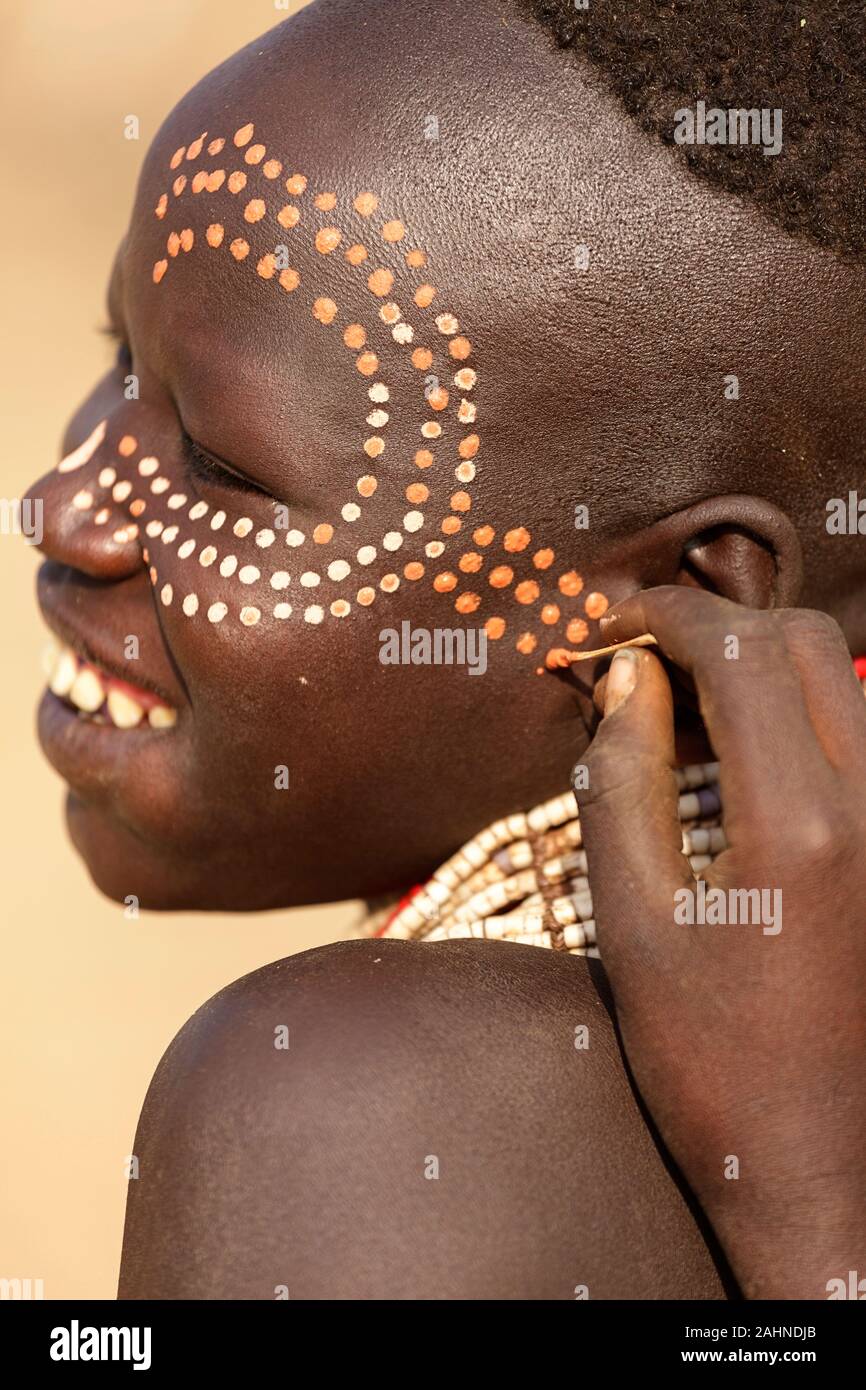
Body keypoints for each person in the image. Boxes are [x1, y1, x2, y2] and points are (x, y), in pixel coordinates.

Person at [25, 0, 866, 1298]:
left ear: (694, 599)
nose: (60, 505)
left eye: (217, 461)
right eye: (113, 352)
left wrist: (817, 1224)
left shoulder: (347, 1109)